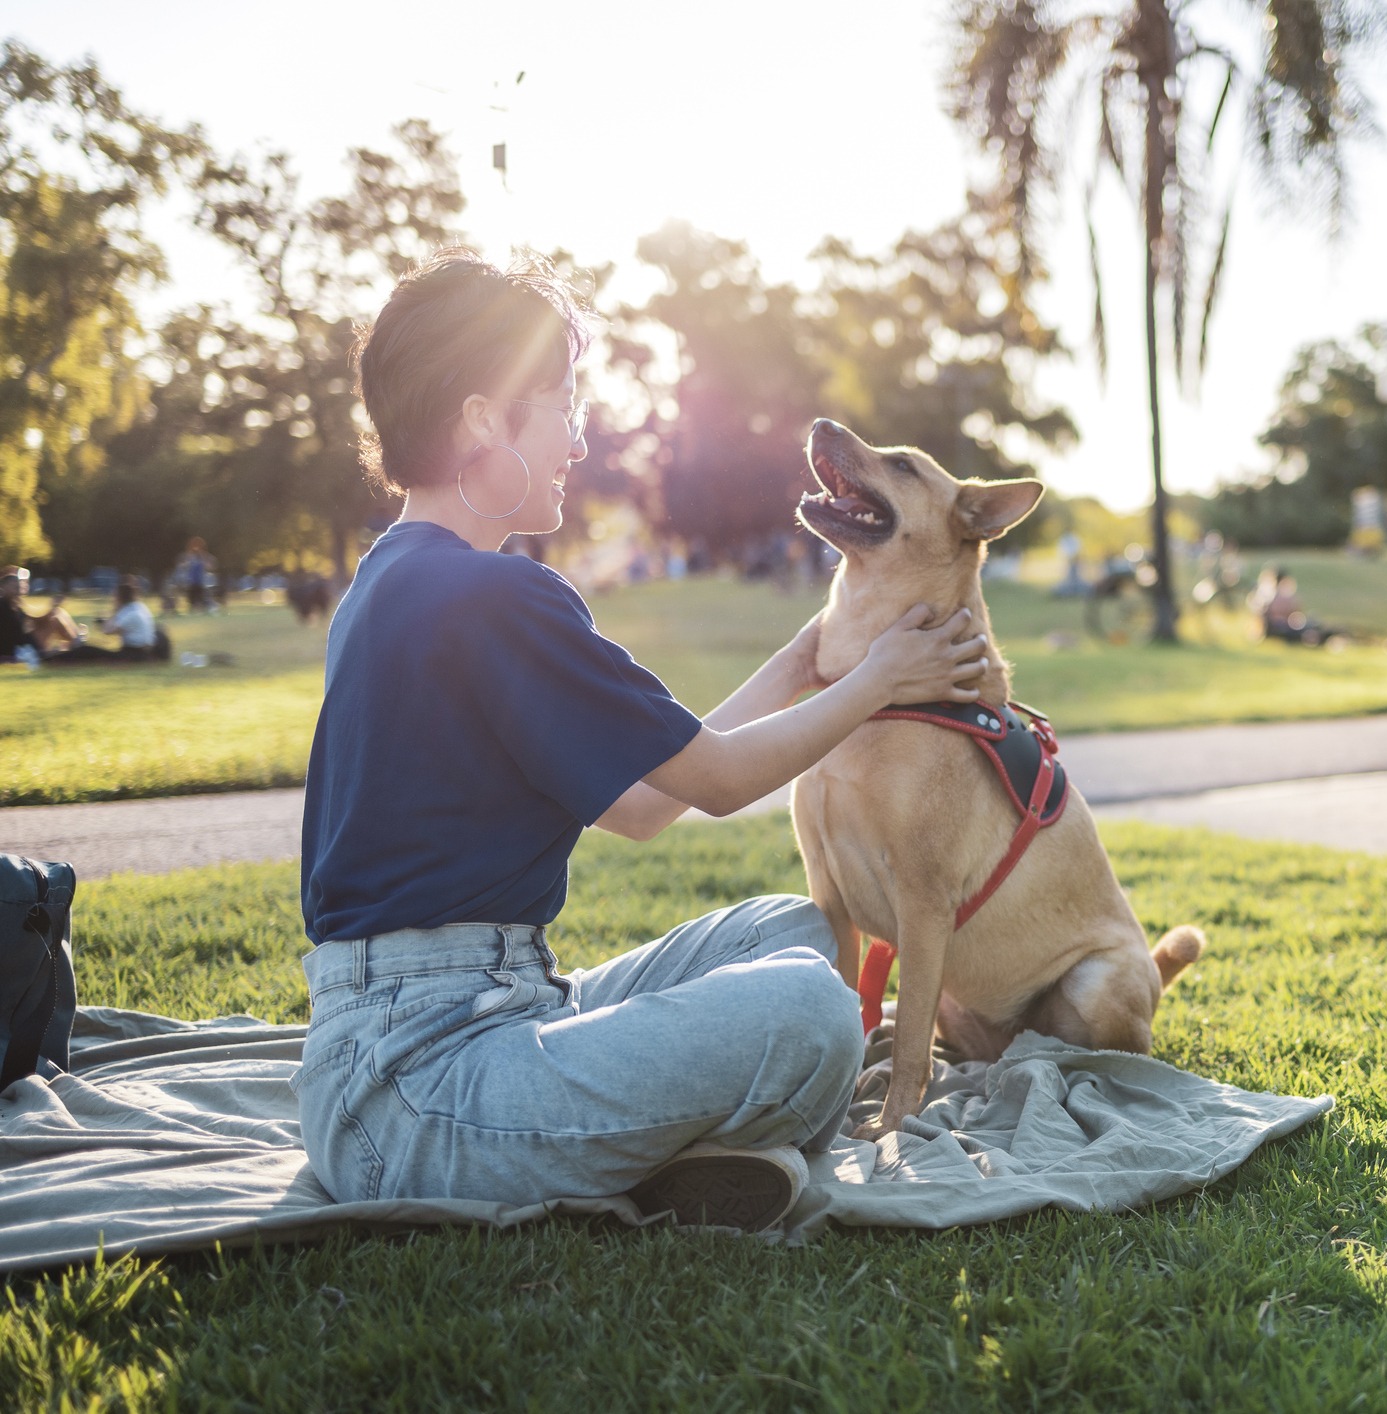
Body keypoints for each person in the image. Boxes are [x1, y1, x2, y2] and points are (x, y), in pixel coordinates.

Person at [296, 251, 990, 1232]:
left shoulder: (400, 576)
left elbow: (643, 800)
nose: (579, 438)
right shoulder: (491, 595)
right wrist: (881, 681)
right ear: (485, 418)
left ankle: (666, 1153)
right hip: (420, 1093)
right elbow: (712, 781)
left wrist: (808, 660)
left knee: (788, 930)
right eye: (561, 402)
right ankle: (681, 1148)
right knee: (817, 1013)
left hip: (444, 1038)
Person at [42, 578, 162, 664]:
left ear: (120, 598)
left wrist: (113, 613)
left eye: (115, 597)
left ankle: (48, 659)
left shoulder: (128, 613)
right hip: (141, 653)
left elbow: (107, 630)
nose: (113, 600)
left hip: (133, 656)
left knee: (86, 650)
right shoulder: (139, 607)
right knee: (88, 649)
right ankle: (53, 656)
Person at [0, 566, 85, 663]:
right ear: (4, 587)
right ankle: (75, 643)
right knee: (55, 616)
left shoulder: (16, 604)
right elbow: (26, 626)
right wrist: (52, 608)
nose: (19, 588)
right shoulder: (5, 606)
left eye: (18, 585)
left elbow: (35, 619)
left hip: (26, 643)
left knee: (56, 613)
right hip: (22, 647)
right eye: (15, 586)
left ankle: (75, 642)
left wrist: (53, 607)